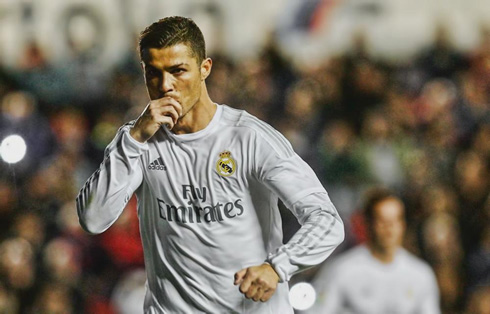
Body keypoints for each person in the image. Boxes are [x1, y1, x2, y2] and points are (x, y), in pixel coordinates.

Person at [76, 16, 344, 313]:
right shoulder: (138, 141)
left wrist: (278, 266)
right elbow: (93, 219)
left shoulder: (249, 138)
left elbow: (326, 220)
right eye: (154, 73)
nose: (166, 85)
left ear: (205, 69)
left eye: (178, 71)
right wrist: (135, 137)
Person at [309, 188, 440, 314]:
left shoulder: (421, 274)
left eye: (395, 220)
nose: (389, 228)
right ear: (368, 224)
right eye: (382, 221)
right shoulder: (341, 270)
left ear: (403, 224)